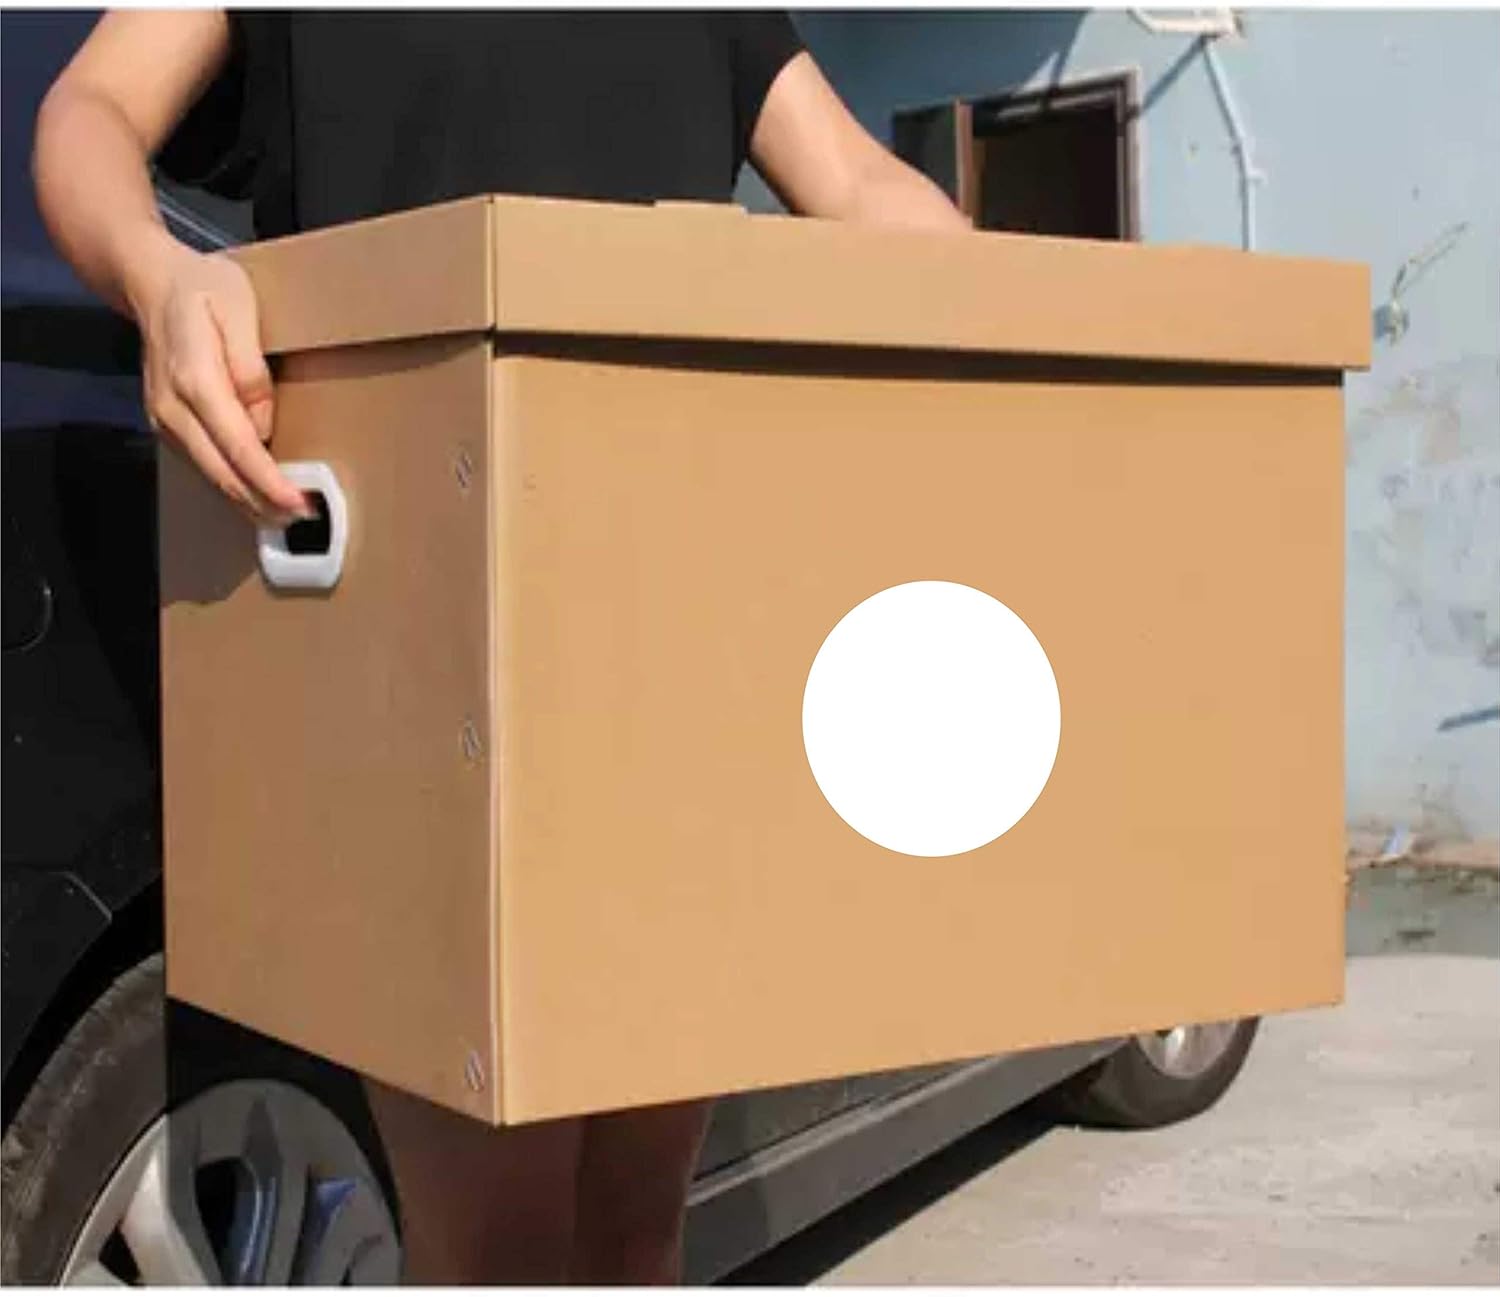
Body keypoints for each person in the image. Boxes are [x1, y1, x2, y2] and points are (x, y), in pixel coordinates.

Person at [33, 11, 970, 1284]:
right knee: (496, 1244)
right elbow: (89, 110)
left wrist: (1044, 326)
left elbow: (853, 181)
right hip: (422, 631)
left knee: (637, 1224)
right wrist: (159, 276)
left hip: (672, 624)